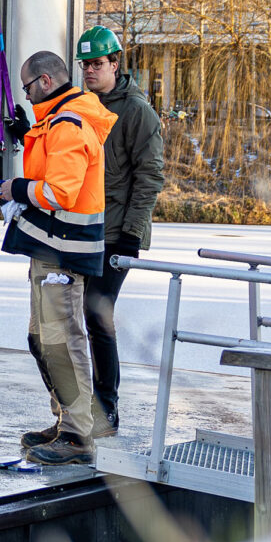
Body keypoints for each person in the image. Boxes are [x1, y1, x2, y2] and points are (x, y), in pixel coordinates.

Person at [0, 49, 116, 465]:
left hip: (63, 249)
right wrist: (29, 135)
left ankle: (79, 434)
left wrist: (16, 189)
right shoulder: (58, 121)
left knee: (62, 341)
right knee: (42, 339)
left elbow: (59, 191)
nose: (25, 96)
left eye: (27, 88)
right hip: (52, 246)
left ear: (45, 82)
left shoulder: (69, 123)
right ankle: (68, 422)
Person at [78, 26, 162, 432]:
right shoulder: (81, 106)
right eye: (85, 65)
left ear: (115, 64)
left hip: (118, 234)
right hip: (84, 227)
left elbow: (150, 176)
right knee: (72, 317)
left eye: (97, 63)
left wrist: (132, 234)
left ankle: (106, 409)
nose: (89, 71)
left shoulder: (136, 112)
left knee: (98, 313)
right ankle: (79, 408)